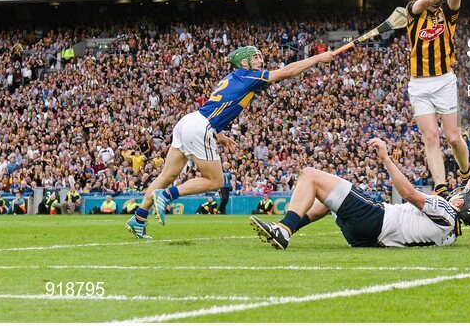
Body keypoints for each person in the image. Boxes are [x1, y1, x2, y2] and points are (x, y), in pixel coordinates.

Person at [126, 45, 337, 239]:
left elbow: (217, 107)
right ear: (244, 62)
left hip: (189, 121)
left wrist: (220, 135)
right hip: (200, 126)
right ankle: (167, 194)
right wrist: (318, 58)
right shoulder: (249, 75)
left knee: (167, 175)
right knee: (215, 182)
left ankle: (139, 218)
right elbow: (288, 72)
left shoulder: (235, 77)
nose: (260, 60)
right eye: (255, 57)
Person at [250, 138, 470, 249]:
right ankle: (288, 228)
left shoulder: (445, 210)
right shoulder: (451, 233)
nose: (458, 193)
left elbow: (409, 193)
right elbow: (444, 204)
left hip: (376, 219)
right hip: (366, 239)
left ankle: (283, 229)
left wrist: (386, 158)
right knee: (326, 199)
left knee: (311, 175)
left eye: (461, 196)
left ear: (459, 203)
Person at [406, 0, 470, 197]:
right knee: (431, 137)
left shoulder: (447, 13)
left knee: (453, 137)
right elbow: (427, 1)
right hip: (419, 84)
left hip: (444, 80)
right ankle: (441, 187)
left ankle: (465, 173)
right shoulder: (413, 11)